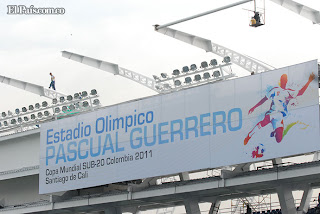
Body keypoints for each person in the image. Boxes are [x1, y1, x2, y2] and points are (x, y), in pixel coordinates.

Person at [244, 72, 315, 145]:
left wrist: (309, 81)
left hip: (280, 116)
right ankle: (249, 135)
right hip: (273, 112)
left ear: (286, 81)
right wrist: (254, 107)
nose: (283, 81)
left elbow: (300, 93)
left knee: (279, 140)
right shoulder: (274, 90)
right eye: (282, 79)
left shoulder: (288, 92)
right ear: (280, 80)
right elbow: (264, 99)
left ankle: (275, 132)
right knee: (264, 122)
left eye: (285, 79)